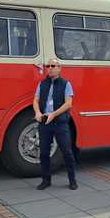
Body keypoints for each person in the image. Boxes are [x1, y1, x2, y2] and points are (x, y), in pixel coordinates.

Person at [33, 58, 77, 190]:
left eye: (53, 66)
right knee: (44, 153)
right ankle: (46, 180)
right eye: (48, 66)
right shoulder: (42, 84)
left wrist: (54, 114)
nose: (50, 68)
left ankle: (72, 180)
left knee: (67, 152)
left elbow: (68, 103)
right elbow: (35, 100)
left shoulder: (66, 84)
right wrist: (37, 113)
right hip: (45, 122)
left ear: (59, 68)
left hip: (60, 123)